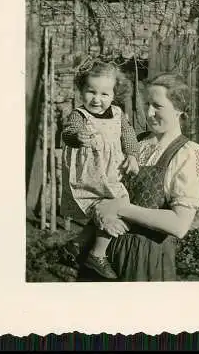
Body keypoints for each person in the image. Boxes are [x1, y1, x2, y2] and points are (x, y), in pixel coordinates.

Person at [81, 72, 199, 282]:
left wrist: (120, 208)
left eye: (157, 106)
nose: (149, 113)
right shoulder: (135, 144)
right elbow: (103, 186)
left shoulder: (188, 153)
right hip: (103, 250)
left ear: (178, 109)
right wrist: (100, 211)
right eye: (147, 104)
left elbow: (179, 225)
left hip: (145, 257)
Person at [60, 57, 140, 280]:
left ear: (114, 94)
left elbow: (129, 135)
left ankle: (78, 243)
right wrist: (77, 137)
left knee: (119, 208)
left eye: (104, 94)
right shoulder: (79, 115)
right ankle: (97, 254)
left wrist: (133, 155)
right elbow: (67, 133)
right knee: (116, 208)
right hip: (90, 175)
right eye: (90, 92)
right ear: (81, 91)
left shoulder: (118, 114)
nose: (97, 99)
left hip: (112, 173)